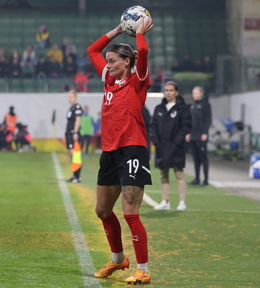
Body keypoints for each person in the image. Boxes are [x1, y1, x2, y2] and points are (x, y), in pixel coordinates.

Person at [87, 17, 153, 284]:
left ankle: (144, 270)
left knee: (130, 213)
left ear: (127, 61)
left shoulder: (138, 80)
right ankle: (118, 261)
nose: (109, 65)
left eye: (113, 61)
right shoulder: (108, 81)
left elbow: (144, 52)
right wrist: (116, 31)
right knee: (102, 211)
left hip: (133, 150)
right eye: (109, 61)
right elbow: (92, 50)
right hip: (110, 151)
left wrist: (138, 33)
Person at [150, 81, 191, 211]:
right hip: (161, 147)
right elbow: (153, 126)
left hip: (176, 147)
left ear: (176, 92)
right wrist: (156, 141)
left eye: (171, 90)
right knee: (163, 174)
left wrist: (177, 142)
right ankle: (165, 201)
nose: (168, 93)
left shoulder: (182, 108)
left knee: (179, 174)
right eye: (166, 90)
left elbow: (186, 127)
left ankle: (182, 202)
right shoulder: (159, 108)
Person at [186, 86, 212, 186]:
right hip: (193, 136)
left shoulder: (205, 105)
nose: (195, 95)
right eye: (193, 93)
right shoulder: (193, 106)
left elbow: (208, 120)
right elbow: (190, 121)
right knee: (195, 158)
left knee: (203, 157)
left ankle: (205, 180)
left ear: (201, 93)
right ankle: (197, 178)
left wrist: (205, 132)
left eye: (197, 93)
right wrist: (189, 133)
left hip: (201, 136)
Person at [65, 89, 83, 183]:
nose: (69, 99)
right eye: (69, 97)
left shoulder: (77, 107)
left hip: (73, 133)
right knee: (71, 156)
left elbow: (78, 120)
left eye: (71, 97)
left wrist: (75, 132)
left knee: (75, 156)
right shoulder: (71, 108)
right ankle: (74, 176)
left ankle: (77, 177)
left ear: (75, 97)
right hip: (68, 133)